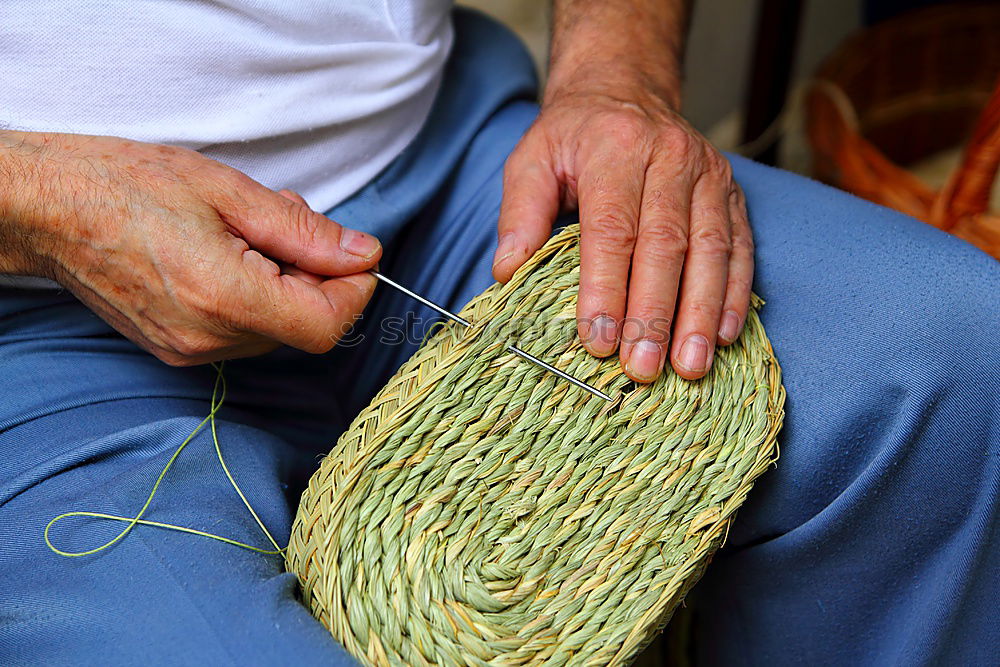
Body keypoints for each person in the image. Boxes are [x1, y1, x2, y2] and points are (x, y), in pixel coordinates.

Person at [0, 1, 995, 665]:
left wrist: (617, 77)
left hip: (471, 174)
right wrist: (44, 206)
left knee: (945, 358)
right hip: (39, 306)